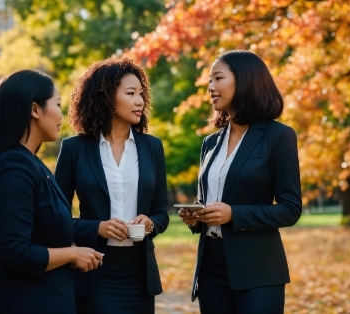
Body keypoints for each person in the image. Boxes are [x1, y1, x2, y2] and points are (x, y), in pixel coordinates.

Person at [0, 69, 104, 314]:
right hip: (21, 302)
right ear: (35, 109)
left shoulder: (30, 162)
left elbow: (47, 225)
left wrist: (94, 231)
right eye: (58, 105)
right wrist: (71, 254)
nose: (63, 114)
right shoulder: (12, 167)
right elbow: (14, 252)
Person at [178, 50, 302, 314]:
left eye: (218, 78)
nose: (210, 87)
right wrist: (197, 215)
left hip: (258, 272)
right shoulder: (210, 143)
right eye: (209, 80)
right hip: (210, 269)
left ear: (244, 80)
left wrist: (234, 214)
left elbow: (290, 208)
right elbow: (207, 199)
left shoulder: (278, 136)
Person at [55, 57, 169, 314]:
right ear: (105, 96)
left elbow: (161, 212)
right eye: (131, 93)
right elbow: (56, 217)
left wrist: (151, 224)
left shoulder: (152, 147)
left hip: (140, 274)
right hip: (94, 270)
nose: (140, 101)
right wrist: (98, 228)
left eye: (141, 94)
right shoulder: (74, 149)